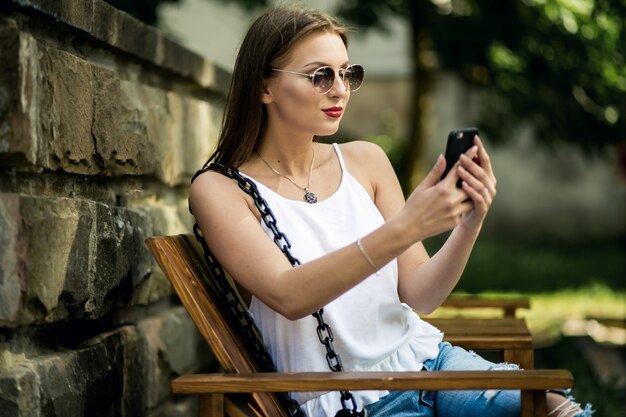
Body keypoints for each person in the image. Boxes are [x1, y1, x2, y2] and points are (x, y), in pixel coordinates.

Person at [189, 6, 592, 417]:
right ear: (265, 87)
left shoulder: (366, 161)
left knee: (555, 409)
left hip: (427, 364)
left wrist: (470, 223)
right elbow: (289, 295)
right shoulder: (220, 189)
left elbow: (421, 294)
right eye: (320, 75)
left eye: (347, 73)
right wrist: (405, 227)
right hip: (348, 400)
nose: (340, 89)